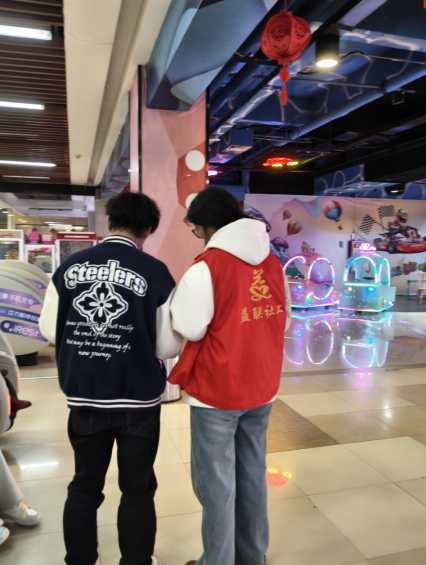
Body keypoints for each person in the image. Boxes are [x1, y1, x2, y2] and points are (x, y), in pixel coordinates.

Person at [39, 192, 181, 565]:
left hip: (85, 397)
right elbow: (167, 346)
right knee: (137, 487)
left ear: (110, 221)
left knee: (85, 485)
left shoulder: (68, 269)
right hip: (138, 401)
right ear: (148, 229)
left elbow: (49, 330)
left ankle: (80, 559)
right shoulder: (155, 272)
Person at [168, 188, 291, 565]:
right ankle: (253, 556)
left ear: (207, 226)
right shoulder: (273, 265)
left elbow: (190, 327)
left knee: (216, 484)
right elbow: (283, 320)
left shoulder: (206, 268)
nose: (196, 235)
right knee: (252, 474)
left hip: (216, 392)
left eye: (194, 228)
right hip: (262, 386)